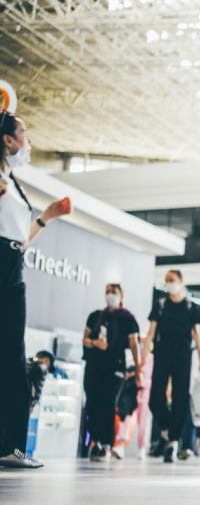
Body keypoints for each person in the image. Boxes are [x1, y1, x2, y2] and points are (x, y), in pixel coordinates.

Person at [0, 111, 71, 469]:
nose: (28, 141)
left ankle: (10, 444)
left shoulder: (13, 183)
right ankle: (10, 445)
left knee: (11, 356)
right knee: (10, 357)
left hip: (12, 264)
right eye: (23, 134)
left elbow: (20, 239)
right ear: (8, 140)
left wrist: (48, 216)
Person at [142, 270, 200, 463]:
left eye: (173, 280)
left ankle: (173, 441)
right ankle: (166, 429)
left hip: (183, 356)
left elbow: (198, 336)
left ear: (181, 281)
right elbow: (150, 333)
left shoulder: (191, 307)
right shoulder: (160, 305)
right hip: (162, 353)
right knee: (155, 398)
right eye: (167, 280)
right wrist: (143, 358)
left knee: (180, 398)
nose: (170, 283)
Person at [82, 283, 142, 462]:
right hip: (94, 365)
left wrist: (138, 370)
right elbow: (84, 338)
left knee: (108, 404)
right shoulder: (95, 316)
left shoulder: (128, 319)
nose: (110, 295)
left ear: (121, 295)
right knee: (92, 403)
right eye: (107, 292)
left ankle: (106, 443)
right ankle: (96, 441)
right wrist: (94, 344)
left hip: (115, 366)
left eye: (113, 292)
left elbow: (134, 346)